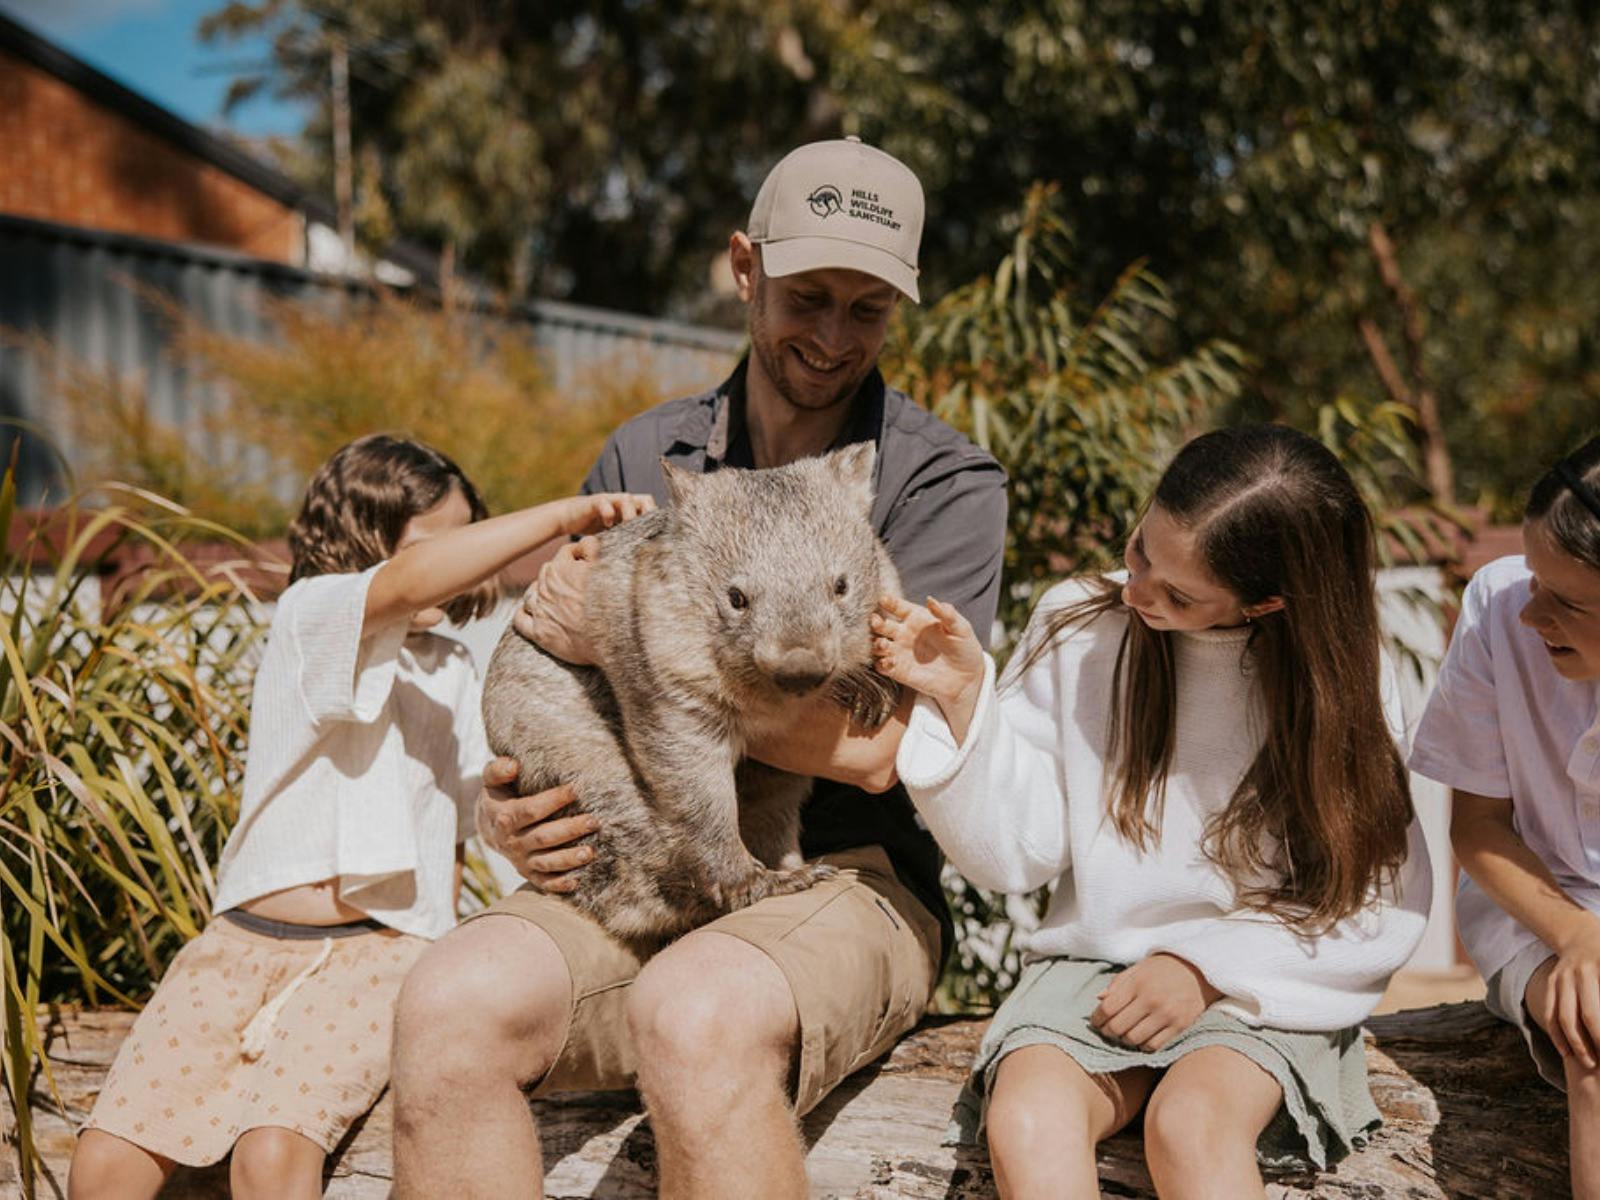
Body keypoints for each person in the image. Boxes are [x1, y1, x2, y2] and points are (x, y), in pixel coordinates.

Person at [390, 138, 1008, 1199]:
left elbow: (882, 747)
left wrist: (634, 660)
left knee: (695, 1012)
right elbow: (557, 671)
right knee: (448, 1001)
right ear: (744, 268)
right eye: (807, 295)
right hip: (644, 860)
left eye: (866, 310)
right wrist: (519, 810)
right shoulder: (648, 458)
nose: (829, 336)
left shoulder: (934, 480)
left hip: (850, 872)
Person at [68, 434, 652, 1200]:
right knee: (105, 1163)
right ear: (365, 542)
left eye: (471, 537)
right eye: (445, 542)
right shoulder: (313, 616)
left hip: (381, 952)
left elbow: (467, 807)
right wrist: (562, 516)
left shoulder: (451, 667)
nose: (467, 560)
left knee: (272, 1157)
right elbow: (406, 582)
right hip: (240, 944)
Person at [871, 425, 1432, 1199]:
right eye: (1140, 552)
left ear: (1266, 602)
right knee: (1027, 1117)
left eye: (1179, 594)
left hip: (1263, 977)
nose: (1137, 591)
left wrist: (1208, 968)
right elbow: (1014, 855)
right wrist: (965, 703)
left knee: (1193, 1128)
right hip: (1092, 971)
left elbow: (1377, 899)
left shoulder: (1343, 680)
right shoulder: (1079, 623)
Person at [1409, 434, 1600, 1199]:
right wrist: (1578, 938)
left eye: (1568, 602)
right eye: (1533, 580)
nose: (1532, 615)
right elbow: (1477, 827)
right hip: (1537, 914)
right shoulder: (1495, 602)